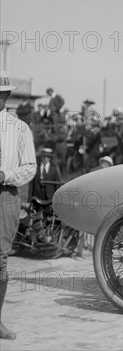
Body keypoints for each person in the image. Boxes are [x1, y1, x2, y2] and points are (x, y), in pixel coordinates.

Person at [0, 71, 37, 340]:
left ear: (6, 96)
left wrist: (5, 176)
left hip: (5, 195)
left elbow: (30, 167)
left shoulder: (20, 128)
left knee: (0, 259)